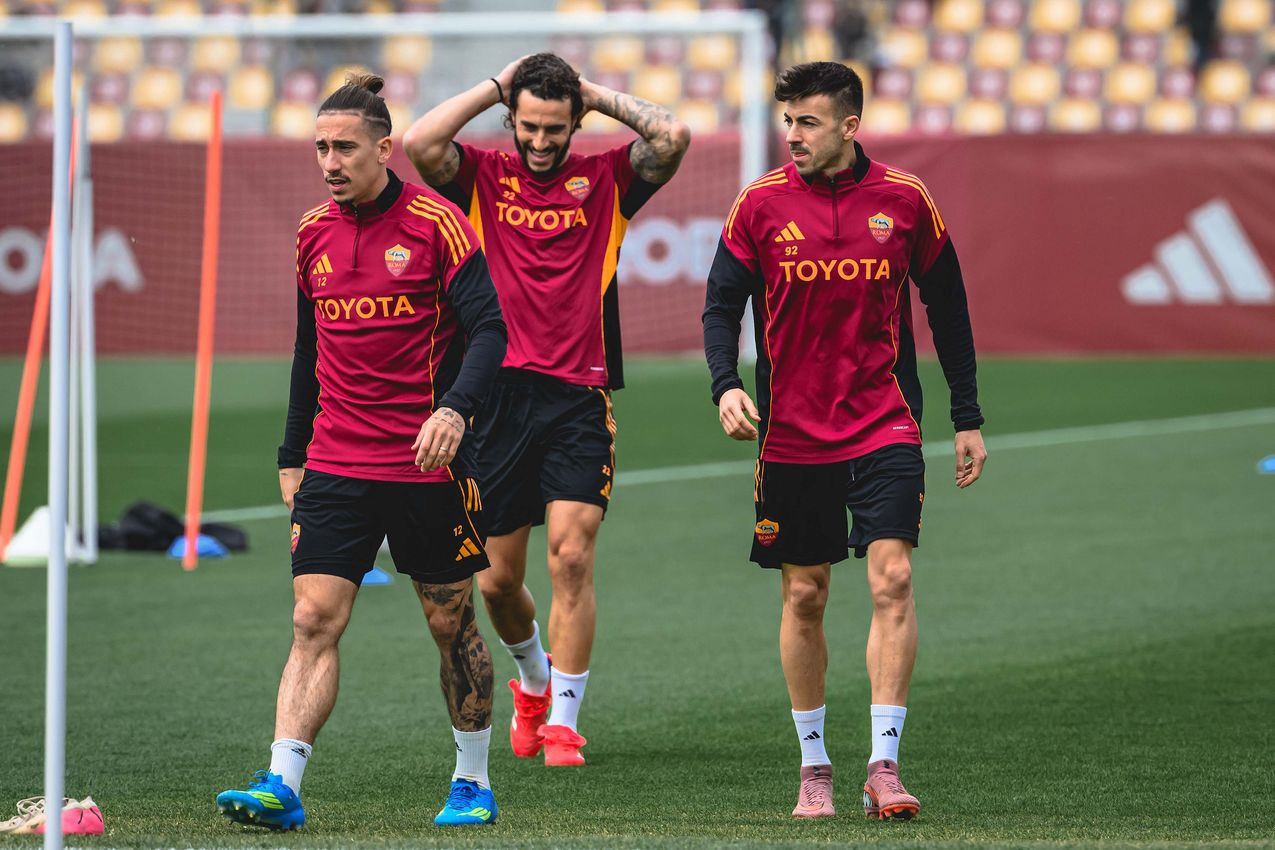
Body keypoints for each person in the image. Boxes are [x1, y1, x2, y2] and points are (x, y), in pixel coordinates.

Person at [214, 74, 507, 829]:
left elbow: (490, 332)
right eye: (320, 147)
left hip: (426, 464)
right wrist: (291, 449)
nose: (329, 161)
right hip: (337, 460)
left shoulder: (438, 224)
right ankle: (282, 784)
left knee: (450, 624)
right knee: (313, 618)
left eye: (343, 147)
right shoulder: (311, 231)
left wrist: (455, 411)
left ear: (384, 148)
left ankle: (471, 780)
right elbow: (307, 347)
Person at [702, 61, 987, 820]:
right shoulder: (757, 206)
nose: (791, 135)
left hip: (883, 420)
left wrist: (965, 415)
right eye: (786, 120)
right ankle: (814, 767)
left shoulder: (904, 199)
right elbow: (719, 302)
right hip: (791, 434)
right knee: (805, 593)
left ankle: (884, 766)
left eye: (807, 121)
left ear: (849, 126)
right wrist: (724, 384)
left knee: (891, 579)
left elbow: (948, 303)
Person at [403, 53, 690, 766]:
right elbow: (417, 144)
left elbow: (672, 138)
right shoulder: (480, 176)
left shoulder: (608, 181)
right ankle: (534, 678)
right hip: (493, 399)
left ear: (574, 122)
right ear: (511, 119)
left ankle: (563, 718)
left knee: (570, 554)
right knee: (498, 581)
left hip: (577, 398)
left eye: (554, 128)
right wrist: (496, 85)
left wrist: (593, 93)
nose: (538, 141)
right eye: (527, 125)